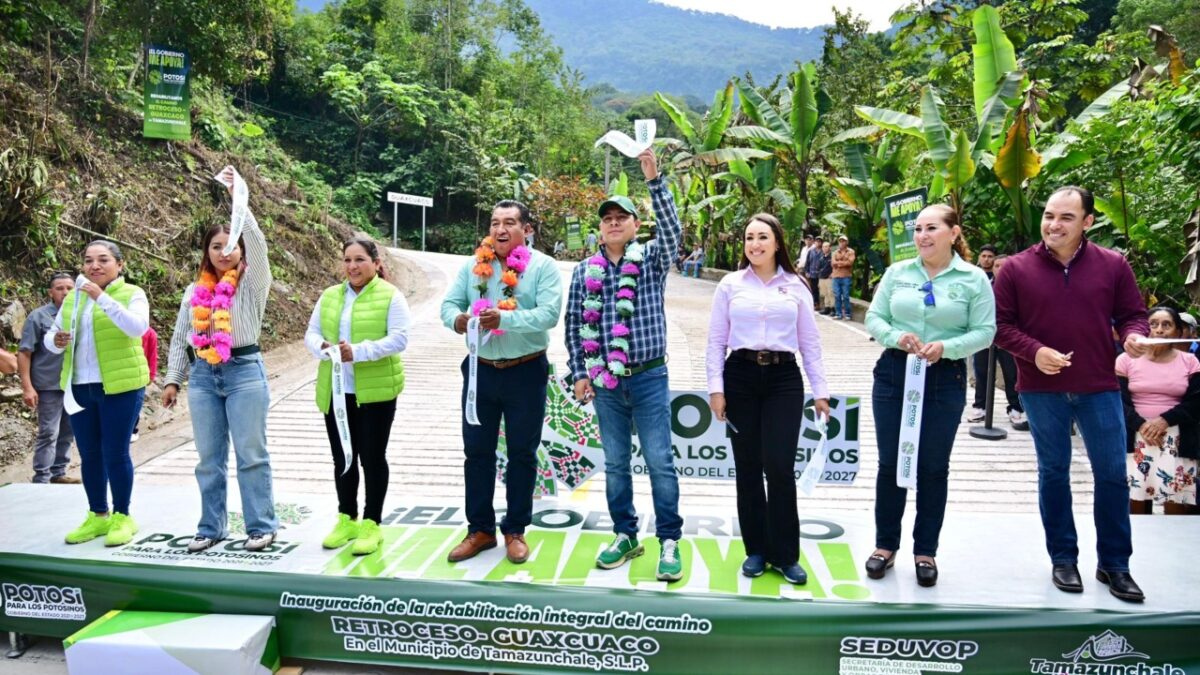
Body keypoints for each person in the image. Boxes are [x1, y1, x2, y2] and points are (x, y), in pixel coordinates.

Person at [994, 186, 1150, 603]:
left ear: (1087, 222)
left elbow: (1134, 315)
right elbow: (1000, 325)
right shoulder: (1014, 269)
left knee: (1113, 476)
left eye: (1065, 217)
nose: (1053, 224)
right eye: (1048, 215)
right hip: (1041, 390)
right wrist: (1034, 351)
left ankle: (1115, 565)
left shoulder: (1113, 265)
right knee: (1054, 473)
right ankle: (1063, 558)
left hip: (1098, 386)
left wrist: (1134, 336)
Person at [566, 148, 685, 582]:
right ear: (600, 229)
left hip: (650, 375)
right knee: (615, 463)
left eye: (622, 216)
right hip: (604, 382)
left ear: (636, 226)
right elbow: (575, 323)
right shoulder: (584, 273)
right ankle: (625, 534)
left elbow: (673, 232)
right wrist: (580, 372)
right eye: (607, 218)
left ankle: (669, 539)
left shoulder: (651, 261)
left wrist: (654, 180)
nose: (614, 222)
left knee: (659, 460)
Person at [863, 204, 995, 588]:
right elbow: (874, 317)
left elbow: (985, 331)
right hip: (894, 373)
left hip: (944, 377)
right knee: (891, 463)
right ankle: (885, 545)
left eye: (931, 228)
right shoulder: (897, 273)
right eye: (917, 228)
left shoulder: (973, 279)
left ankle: (926, 551)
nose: (921, 235)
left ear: (953, 233)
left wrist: (947, 347)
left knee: (933, 467)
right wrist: (895, 337)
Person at [706, 213, 830, 585]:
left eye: (762, 237)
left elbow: (810, 343)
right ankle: (756, 551)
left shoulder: (796, 285)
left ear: (778, 242)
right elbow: (715, 341)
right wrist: (716, 388)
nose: (755, 244)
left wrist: (820, 391)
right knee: (747, 467)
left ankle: (785, 554)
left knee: (778, 467)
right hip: (740, 376)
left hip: (783, 379)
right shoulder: (730, 285)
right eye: (749, 238)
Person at [162, 167, 278, 553]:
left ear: (241, 250)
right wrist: (173, 378)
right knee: (209, 459)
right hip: (203, 377)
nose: (224, 252)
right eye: (216, 246)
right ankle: (210, 527)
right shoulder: (196, 291)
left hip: (244, 371)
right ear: (206, 252)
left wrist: (238, 197)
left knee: (250, 455)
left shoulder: (253, 284)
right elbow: (181, 335)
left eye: (231, 245)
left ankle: (260, 526)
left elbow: (258, 245)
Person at [441, 199, 563, 565]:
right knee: (476, 451)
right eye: (495, 223)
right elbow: (448, 305)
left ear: (527, 229)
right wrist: (457, 320)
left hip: (526, 370)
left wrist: (504, 321)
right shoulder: (473, 266)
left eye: (509, 222)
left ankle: (515, 530)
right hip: (480, 370)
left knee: (522, 453)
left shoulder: (543, 267)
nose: (500, 230)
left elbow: (549, 315)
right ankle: (480, 529)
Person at [306, 239, 411, 555]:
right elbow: (310, 333)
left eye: (360, 259)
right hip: (337, 393)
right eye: (348, 260)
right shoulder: (329, 296)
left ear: (376, 263)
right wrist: (323, 349)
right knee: (343, 457)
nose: (353, 266)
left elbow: (400, 339)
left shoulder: (391, 296)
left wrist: (359, 352)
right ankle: (347, 517)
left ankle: (372, 523)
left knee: (372, 458)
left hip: (376, 393)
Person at [45, 240, 150, 546]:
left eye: (103, 259)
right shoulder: (74, 299)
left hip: (120, 387)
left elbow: (136, 328)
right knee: (89, 454)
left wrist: (101, 297)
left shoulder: (133, 294)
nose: (94, 266)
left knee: (115, 452)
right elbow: (51, 339)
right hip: (79, 387)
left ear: (120, 264)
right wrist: (58, 341)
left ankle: (123, 516)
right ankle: (97, 515)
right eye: (89, 260)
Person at [1118, 306, 1199, 515]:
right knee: (1135, 503)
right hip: (1135, 436)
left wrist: (1163, 421)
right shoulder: (1126, 360)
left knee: (1176, 505)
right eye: (1153, 324)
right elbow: (1118, 401)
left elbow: (1196, 402)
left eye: (1167, 325)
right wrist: (1143, 425)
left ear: (1178, 332)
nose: (1159, 330)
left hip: (1177, 438)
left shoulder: (1190, 362)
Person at [18, 273, 79, 484]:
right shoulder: (39, 317)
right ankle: (42, 477)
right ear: (50, 292)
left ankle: (58, 472)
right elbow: (24, 352)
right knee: (48, 432)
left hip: (74, 384)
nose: (65, 292)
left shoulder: (80, 314)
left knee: (68, 431)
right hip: (48, 385)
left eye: (70, 288)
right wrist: (27, 387)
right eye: (60, 288)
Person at [967, 245, 1026, 430]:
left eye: (1004, 266)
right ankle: (980, 406)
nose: (1000, 269)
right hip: (984, 338)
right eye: (997, 266)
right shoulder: (983, 286)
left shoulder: (1020, 289)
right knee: (982, 372)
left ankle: (1015, 408)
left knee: (1011, 374)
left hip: (1009, 339)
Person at [130, 326, 157, 442]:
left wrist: (151, 374)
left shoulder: (149, 333)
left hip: (139, 374)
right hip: (122, 372)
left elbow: (152, 355)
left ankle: (133, 430)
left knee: (134, 404)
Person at [831, 235, 855, 320]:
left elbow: (850, 262)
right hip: (836, 276)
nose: (842, 242)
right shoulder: (834, 252)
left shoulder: (851, 251)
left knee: (845, 296)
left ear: (847, 242)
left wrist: (839, 263)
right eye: (840, 241)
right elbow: (833, 263)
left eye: (843, 241)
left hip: (846, 277)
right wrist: (842, 263)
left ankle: (848, 314)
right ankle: (838, 314)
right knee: (837, 295)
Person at [803, 236, 826, 308]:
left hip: (821, 274)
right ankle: (815, 303)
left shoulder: (824, 251)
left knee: (821, 290)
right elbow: (807, 263)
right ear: (814, 242)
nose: (818, 243)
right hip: (812, 274)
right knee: (813, 289)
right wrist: (806, 271)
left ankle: (822, 305)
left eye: (820, 241)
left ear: (822, 243)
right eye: (817, 241)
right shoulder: (811, 251)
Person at [817, 241, 834, 315]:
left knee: (831, 293)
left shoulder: (832, 257)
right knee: (825, 293)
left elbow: (835, 267)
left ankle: (833, 308)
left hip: (829, 278)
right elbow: (818, 267)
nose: (825, 248)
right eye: (823, 247)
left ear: (830, 248)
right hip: (822, 278)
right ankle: (827, 308)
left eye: (826, 246)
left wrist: (832, 273)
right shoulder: (821, 258)